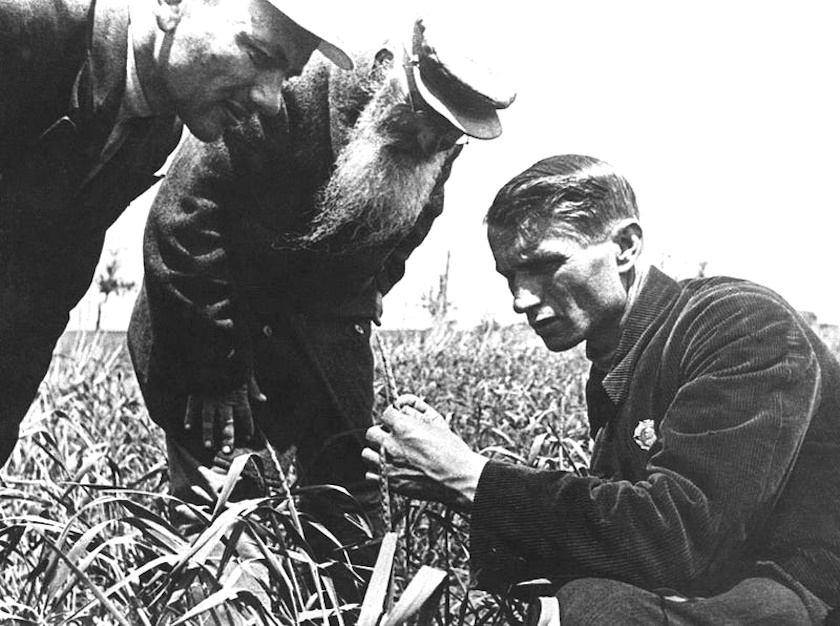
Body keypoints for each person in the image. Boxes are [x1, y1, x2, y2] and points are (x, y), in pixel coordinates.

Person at [364, 155, 840, 624]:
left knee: (596, 609)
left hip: (805, 592)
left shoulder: (740, 324)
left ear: (627, 246)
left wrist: (470, 477)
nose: (520, 299)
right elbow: (621, 529)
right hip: (733, 584)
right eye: (510, 276)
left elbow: (680, 540)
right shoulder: (625, 354)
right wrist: (454, 473)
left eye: (547, 264)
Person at [127, 15, 514, 565]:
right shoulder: (287, 90)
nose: (432, 140)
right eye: (425, 116)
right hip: (210, 318)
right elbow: (182, 225)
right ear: (389, 72)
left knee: (350, 503)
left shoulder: (436, 141)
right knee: (226, 511)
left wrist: (371, 285)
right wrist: (215, 373)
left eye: (450, 134)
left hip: (325, 323)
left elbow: (412, 219)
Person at [0, 0, 353, 468]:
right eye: (259, 54)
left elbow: (42, 294)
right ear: (171, 5)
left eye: (286, 76)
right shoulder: (26, 26)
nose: (271, 99)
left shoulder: (158, 128)